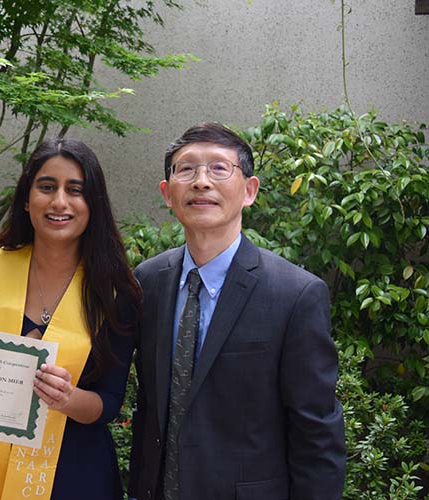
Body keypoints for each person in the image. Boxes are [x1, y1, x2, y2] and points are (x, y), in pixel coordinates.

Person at [128, 123, 346, 500]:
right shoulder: (149, 281)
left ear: (249, 190)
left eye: (218, 168)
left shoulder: (295, 294)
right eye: (186, 169)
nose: (201, 181)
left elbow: (317, 435)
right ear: (167, 193)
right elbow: (148, 409)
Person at [0, 138, 141, 500]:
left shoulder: (113, 292)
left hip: (73, 472)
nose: (59, 201)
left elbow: (108, 402)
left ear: (92, 204)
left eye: (75, 190)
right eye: (47, 187)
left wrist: (68, 398)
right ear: (27, 199)